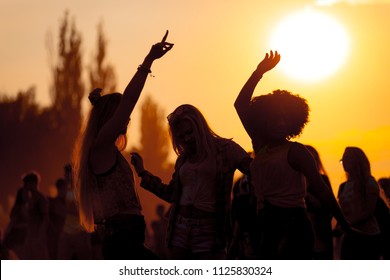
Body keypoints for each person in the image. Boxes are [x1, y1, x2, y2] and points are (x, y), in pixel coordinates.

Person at [234, 50, 354, 259]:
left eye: (285, 118)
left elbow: (322, 190)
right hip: (265, 223)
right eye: (275, 118)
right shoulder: (260, 143)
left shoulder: (297, 152)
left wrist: (346, 226)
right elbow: (240, 104)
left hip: (293, 224)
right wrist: (259, 72)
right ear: (264, 120)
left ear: (293, 122)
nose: (281, 122)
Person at [72, 31, 173, 260]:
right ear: (110, 117)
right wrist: (148, 61)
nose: (126, 118)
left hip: (129, 239)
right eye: (121, 114)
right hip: (122, 242)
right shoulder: (100, 148)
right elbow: (128, 101)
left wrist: (139, 171)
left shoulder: (109, 152)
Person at [130, 104, 251, 260]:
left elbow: (254, 170)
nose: (186, 138)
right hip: (179, 229)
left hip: (210, 230)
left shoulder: (226, 149)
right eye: (181, 136)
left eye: (189, 132)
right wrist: (142, 173)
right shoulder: (183, 159)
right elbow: (171, 194)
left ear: (200, 127)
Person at [337, 147, 381, 260]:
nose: (344, 163)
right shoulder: (343, 186)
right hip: (350, 235)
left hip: (367, 236)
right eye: (343, 160)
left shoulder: (368, 183)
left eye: (347, 159)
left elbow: (369, 211)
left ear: (357, 161)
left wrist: (347, 224)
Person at [304, 145, 334, 259]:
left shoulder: (323, 180)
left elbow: (328, 206)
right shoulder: (295, 180)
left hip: (320, 231)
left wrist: (308, 196)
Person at [22, 171, 50, 259]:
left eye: (27, 183)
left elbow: (46, 219)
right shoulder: (31, 199)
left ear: (34, 183)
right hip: (31, 236)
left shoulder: (40, 199)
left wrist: (40, 236)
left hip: (37, 236)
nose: (25, 185)